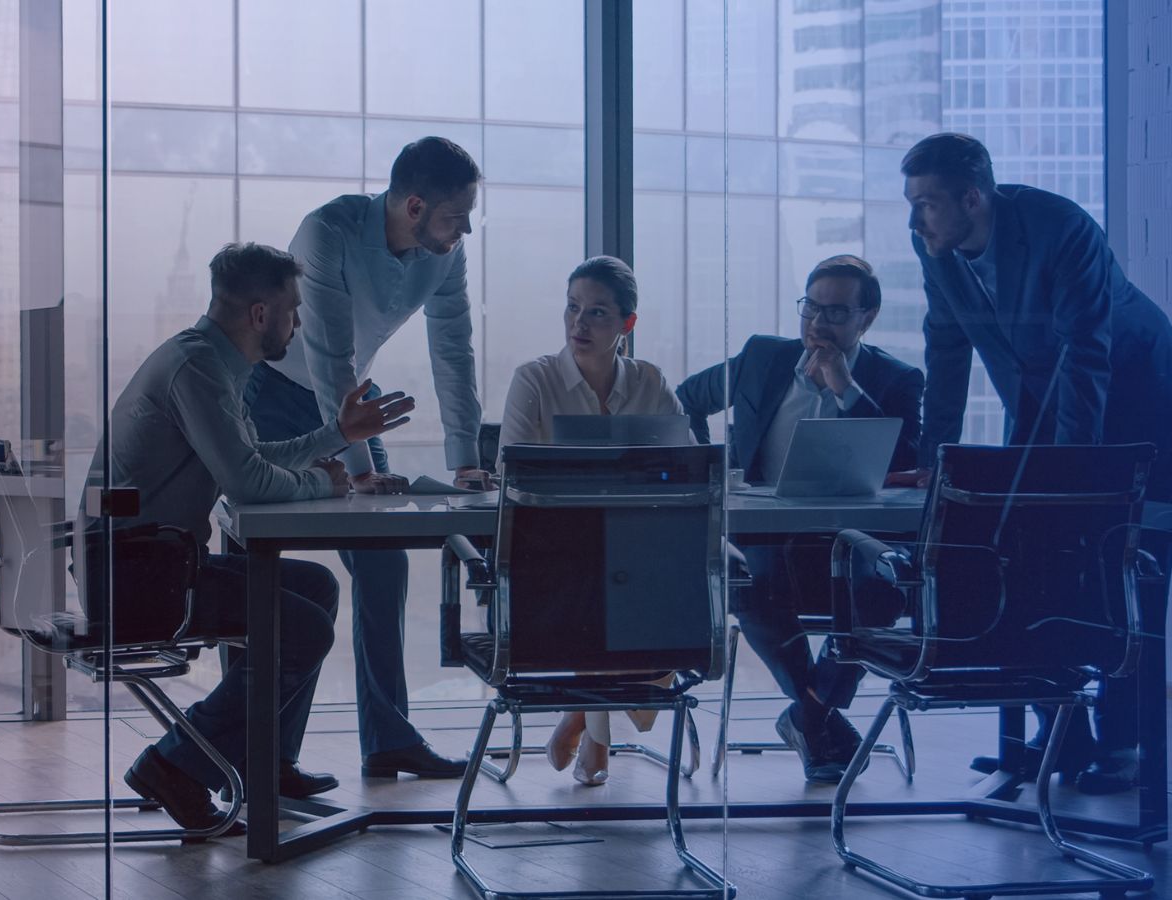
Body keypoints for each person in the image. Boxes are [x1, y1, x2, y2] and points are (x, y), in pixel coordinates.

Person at [901, 132, 1172, 794]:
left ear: (972, 198)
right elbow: (945, 348)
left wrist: (1070, 476)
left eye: (926, 203)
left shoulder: (1060, 228)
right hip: (1042, 395)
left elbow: (1088, 352)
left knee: (1125, 561)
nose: (915, 220)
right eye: (911, 203)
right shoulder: (934, 246)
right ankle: (1061, 731)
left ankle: (1122, 744)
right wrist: (932, 461)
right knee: (1021, 554)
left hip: (1138, 392)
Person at [94, 242, 417, 829]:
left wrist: (337, 434)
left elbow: (253, 456)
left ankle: (267, 761)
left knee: (314, 586)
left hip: (155, 562)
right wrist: (323, 482)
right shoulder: (198, 369)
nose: (299, 325)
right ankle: (175, 762)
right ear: (261, 314)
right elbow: (246, 482)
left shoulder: (211, 363)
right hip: (135, 576)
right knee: (302, 628)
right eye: (293, 311)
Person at [244, 136, 487, 779]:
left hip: (352, 401)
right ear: (414, 206)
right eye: (456, 216)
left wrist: (465, 458)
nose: (465, 229)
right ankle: (267, 759)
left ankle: (387, 739)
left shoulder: (445, 254)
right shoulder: (327, 232)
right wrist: (360, 469)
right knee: (267, 571)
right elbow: (328, 355)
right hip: (275, 397)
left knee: (384, 561)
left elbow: (454, 351)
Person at [674, 254, 924, 783]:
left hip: (850, 541)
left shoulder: (896, 379)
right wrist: (714, 467)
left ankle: (809, 717)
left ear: (867, 318)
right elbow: (686, 400)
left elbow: (904, 460)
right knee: (750, 583)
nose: (817, 323)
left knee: (883, 592)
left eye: (836, 313)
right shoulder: (763, 358)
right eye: (811, 307)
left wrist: (844, 388)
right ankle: (818, 717)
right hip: (765, 535)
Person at [495, 256, 680, 786]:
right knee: (604, 583)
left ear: (627, 324)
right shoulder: (535, 379)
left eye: (597, 312)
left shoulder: (650, 381)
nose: (579, 323)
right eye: (573, 308)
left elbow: (684, 466)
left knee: (656, 584)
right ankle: (598, 734)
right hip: (552, 555)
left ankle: (582, 713)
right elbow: (512, 473)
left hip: (633, 552)